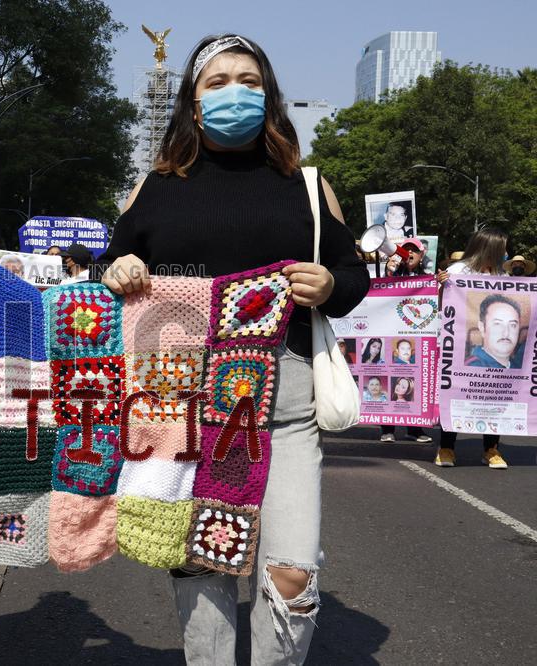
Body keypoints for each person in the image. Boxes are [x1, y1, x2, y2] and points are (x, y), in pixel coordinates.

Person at [96, 34, 369, 664]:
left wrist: (330, 283)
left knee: (293, 572)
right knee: (202, 563)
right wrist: (121, 268)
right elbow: (107, 268)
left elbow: (354, 277)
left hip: (286, 405)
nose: (234, 92)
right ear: (193, 105)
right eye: (217, 82)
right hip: (182, 403)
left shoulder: (306, 185)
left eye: (248, 80)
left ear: (268, 95)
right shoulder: (157, 185)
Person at [435, 226, 511, 469]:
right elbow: (441, 305)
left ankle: (491, 449)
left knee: (493, 397)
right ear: (489, 248)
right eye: (502, 248)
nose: (506, 253)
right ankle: (446, 448)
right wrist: (440, 286)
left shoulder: (503, 277)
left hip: (494, 350)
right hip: (458, 346)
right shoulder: (457, 271)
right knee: (456, 394)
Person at [466, 294, 524, 369]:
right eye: (497, 324)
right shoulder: (471, 368)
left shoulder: (520, 368)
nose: (506, 333)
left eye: (512, 325)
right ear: (482, 328)